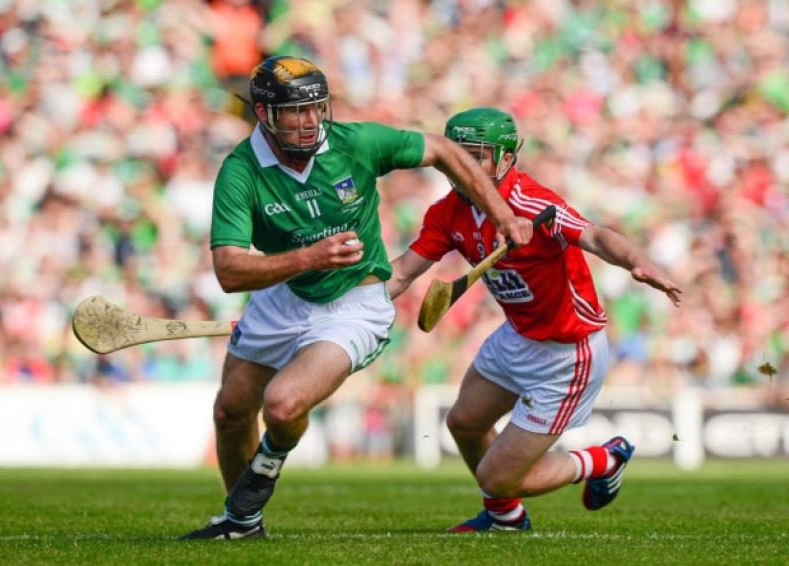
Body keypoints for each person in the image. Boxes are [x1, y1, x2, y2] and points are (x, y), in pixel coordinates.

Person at [181, 58, 533, 540]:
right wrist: (309, 258)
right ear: (263, 113)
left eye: (315, 109)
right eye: (294, 112)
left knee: (282, 407)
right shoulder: (241, 171)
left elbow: (445, 150)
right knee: (230, 410)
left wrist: (503, 214)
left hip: (356, 303)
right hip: (282, 296)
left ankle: (256, 484)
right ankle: (242, 522)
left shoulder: (354, 144)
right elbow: (228, 271)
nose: (309, 124)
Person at [388, 107, 683, 532]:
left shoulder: (532, 202)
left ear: (507, 158)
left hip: (567, 352)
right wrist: (355, 307)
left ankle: (604, 458)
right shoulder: (446, 213)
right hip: (517, 336)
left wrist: (636, 261)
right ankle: (506, 519)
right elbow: (402, 272)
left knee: (496, 477)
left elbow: (595, 235)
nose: (466, 166)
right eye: (459, 155)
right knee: (463, 423)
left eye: (478, 155)